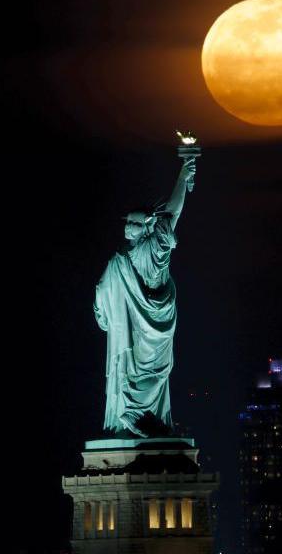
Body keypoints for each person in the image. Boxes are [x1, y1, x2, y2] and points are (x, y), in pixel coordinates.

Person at [93, 156, 196, 437]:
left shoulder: (149, 251)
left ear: (147, 227)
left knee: (143, 375)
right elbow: (102, 295)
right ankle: (139, 422)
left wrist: (182, 179)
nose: (128, 228)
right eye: (128, 224)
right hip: (150, 330)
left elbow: (171, 215)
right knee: (139, 373)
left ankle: (138, 420)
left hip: (142, 333)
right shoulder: (119, 262)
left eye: (135, 224)